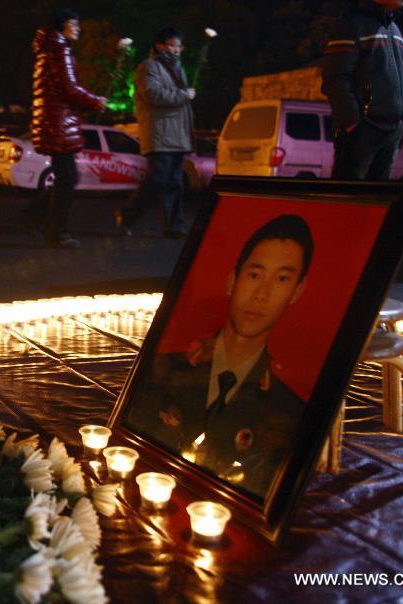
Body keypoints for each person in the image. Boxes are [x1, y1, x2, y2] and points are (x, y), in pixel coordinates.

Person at [124, 215, 312, 498]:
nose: (261, 294)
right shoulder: (163, 371)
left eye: (282, 279)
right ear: (232, 280)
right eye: (254, 275)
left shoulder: (287, 409)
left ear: (297, 291)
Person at [26, 9, 107, 248]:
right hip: (59, 124)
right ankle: (55, 232)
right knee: (68, 178)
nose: (78, 28)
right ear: (63, 26)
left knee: (66, 177)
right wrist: (95, 101)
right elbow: (68, 88)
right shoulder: (60, 50)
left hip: (54, 121)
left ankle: (37, 220)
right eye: (75, 24)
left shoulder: (47, 51)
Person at [114, 27, 195, 239]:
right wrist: (183, 94)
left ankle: (174, 226)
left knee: (175, 182)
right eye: (172, 45)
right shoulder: (149, 67)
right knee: (157, 179)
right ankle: (127, 213)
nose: (177, 50)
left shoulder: (179, 69)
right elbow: (152, 94)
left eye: (179, 46)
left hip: (177, 135)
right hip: (159, 133)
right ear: (159, 46)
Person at [322, 0, 403, 180]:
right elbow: (334, 79)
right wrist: (353, 122)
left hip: (391, 132)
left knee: (375, 203)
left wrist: (399, 123)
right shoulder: (350, 25)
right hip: (363, 131)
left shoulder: (395, 30)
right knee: (348, 200)